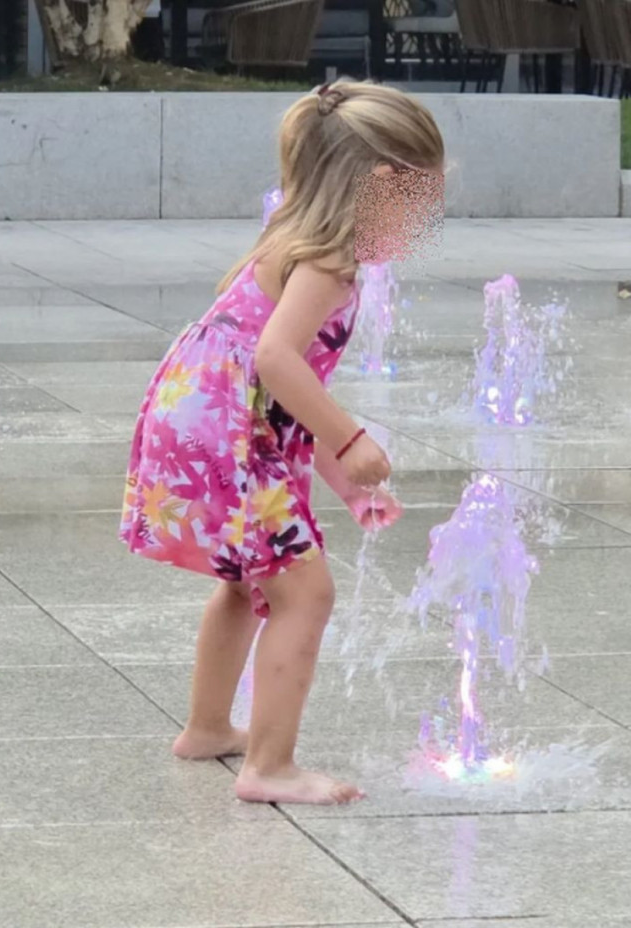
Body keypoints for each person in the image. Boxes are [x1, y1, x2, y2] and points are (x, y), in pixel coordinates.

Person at [120, 79, 445, 805]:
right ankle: (270, 767)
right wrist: (352, 439)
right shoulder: (328, 266)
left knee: (249, 581)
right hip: (226, 429)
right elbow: (276, 361)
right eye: (422, 202)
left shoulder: (291, 238)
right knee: (305, 592)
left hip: (206, 419)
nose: (426, 223)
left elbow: (288, 391)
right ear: (380, 186)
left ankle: (208, 727)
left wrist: (347, 484)